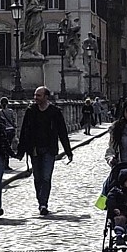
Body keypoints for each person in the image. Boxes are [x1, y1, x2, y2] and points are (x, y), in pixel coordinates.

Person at [17, 87, 76, 215]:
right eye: (35, 95)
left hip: (49, 149)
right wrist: (21, 151)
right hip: (34, 149)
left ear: (46, 97)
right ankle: (41, 201)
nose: (35, 98)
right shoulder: (30, 111)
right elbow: (24, 131)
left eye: (38, 95)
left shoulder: (54, 112)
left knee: (46, 177)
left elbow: (62, 132)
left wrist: (68, 151)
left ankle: (43, 203)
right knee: (37, 177)